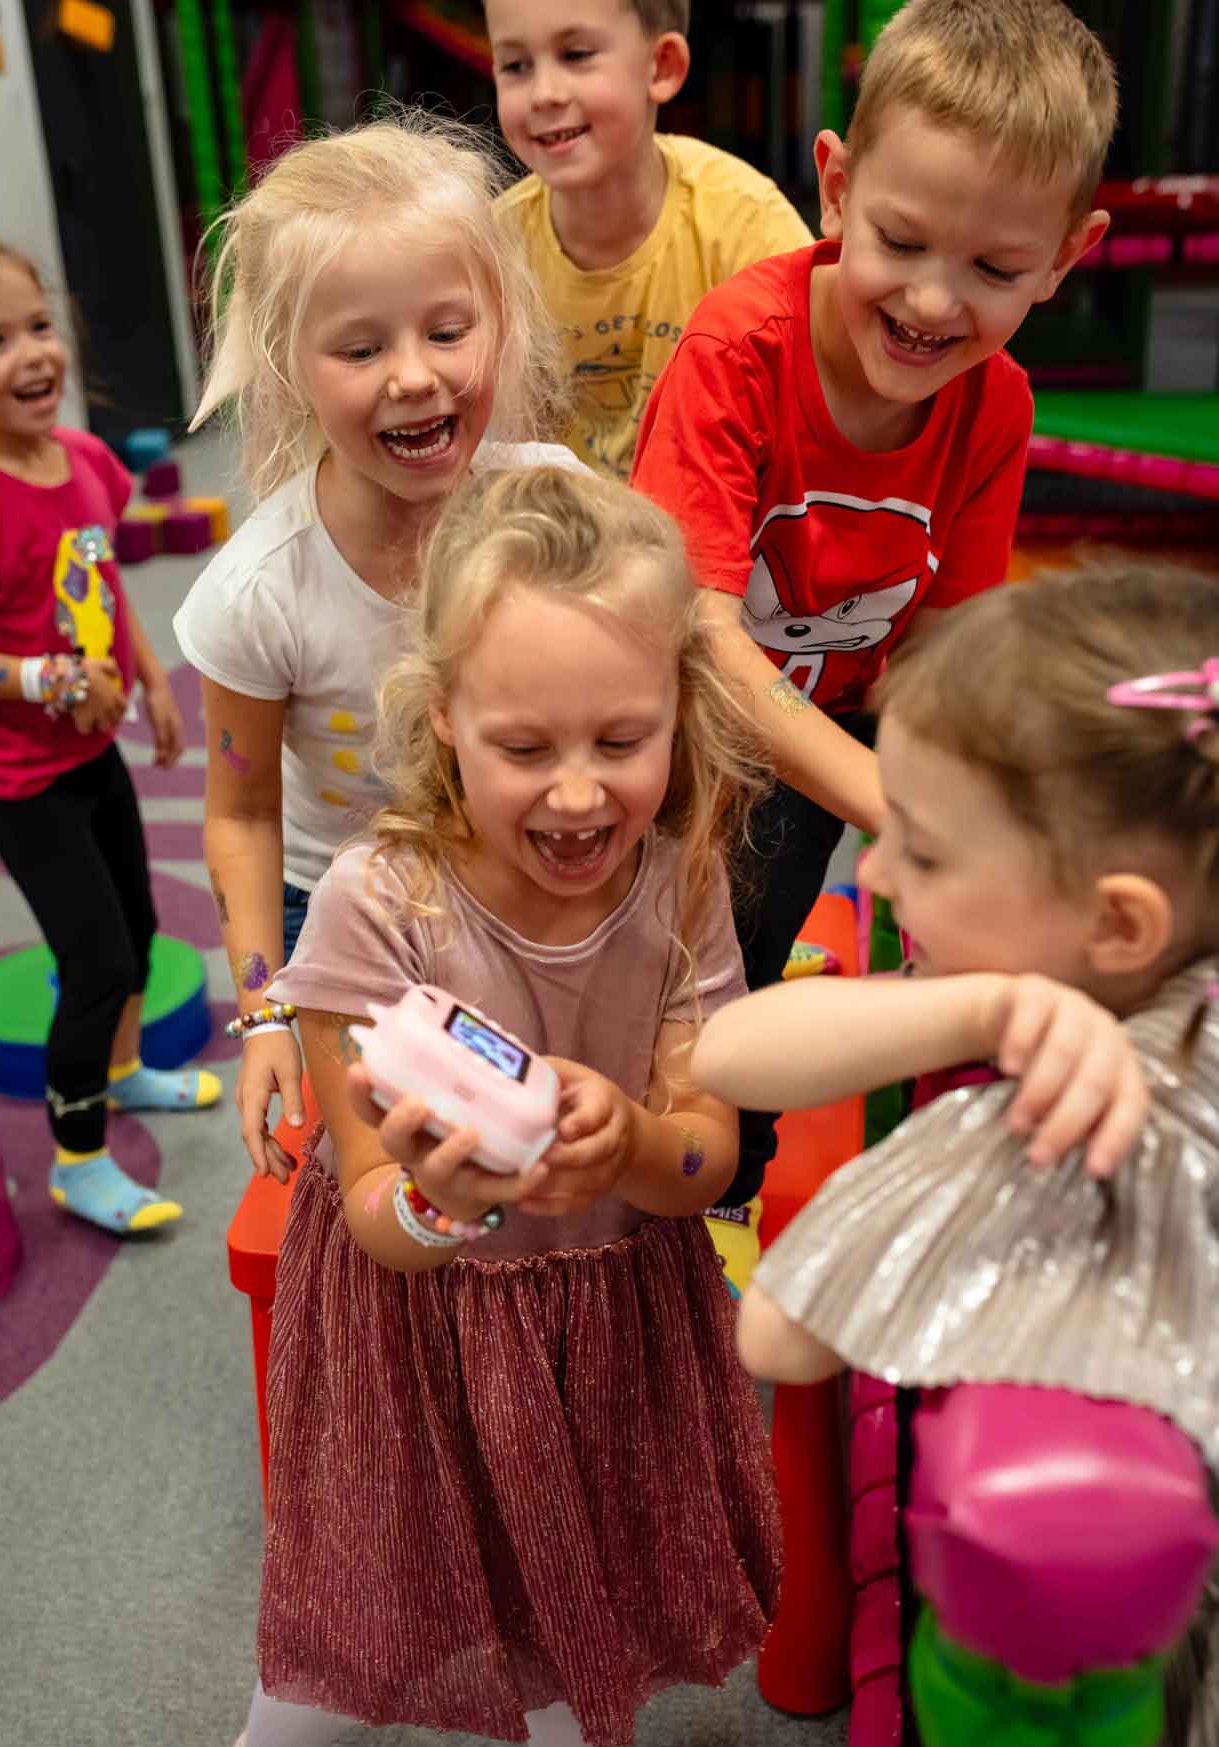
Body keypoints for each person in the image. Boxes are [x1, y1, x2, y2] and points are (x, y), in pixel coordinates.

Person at [221, 464, 782, 1747]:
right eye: (524, 744)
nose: (582, 789)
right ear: (443, 724)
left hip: (613, 1314)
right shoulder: (376, 900)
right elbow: (358, 1208)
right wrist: (441, 1200)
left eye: (625, 736)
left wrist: (640, 1151)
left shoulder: (682, 882)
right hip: (429, 1332)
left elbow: (712, 1146)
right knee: (377, 1612)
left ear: (680, 714)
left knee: (573, 1607)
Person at [693, 561, 1219, 1747]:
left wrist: (988, 1027)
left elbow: (774, 1329)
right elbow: (735, 1048)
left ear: (1116, 926)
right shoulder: (1119, 963)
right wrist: (978, 1001)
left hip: (1132, 1731)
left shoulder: (1083, 1116)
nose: (875, 867)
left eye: (923, 851)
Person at [631, 0, 1117, 1285]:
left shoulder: (994, 404)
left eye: (994, 272)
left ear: (1067, 258)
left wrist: (959, 825)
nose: (929, 299)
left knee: (784, 927)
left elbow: (945, 646)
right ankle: (672, 1168)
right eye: (899, 239)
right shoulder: (741, 344)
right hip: (686, 706)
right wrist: (889, 809)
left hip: (842, 711)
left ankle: (730, 1187)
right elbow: (694, 637)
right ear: (836, 187)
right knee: (679, 940)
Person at [176, 110, 581, 1185]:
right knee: (400, 1184)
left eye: (448, 332)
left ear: (500, 321)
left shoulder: (555, 506)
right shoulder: (259, 593)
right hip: (346, 918)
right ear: (287, 366)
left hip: (539, 875)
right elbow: (240, 811)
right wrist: (265, 1011)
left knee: (550, 1158)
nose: (413, 376)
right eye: (360, 349)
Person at [0, 230, 219, 1235]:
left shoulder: (89, 461)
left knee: (141, 931)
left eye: (40, 327)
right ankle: (80, 1158)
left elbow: (99, 585)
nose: (32, 355)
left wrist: (147, 677)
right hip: (15, 778)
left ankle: (129, 1067)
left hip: (89, 750)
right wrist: (38, 677)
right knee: (95, 958)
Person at [486, 0, 814, 481]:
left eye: (576, 55)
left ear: (661, 67)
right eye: (516, 66)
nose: (544, 93)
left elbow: (809, 419)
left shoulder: (747, 223)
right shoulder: (491, 247)